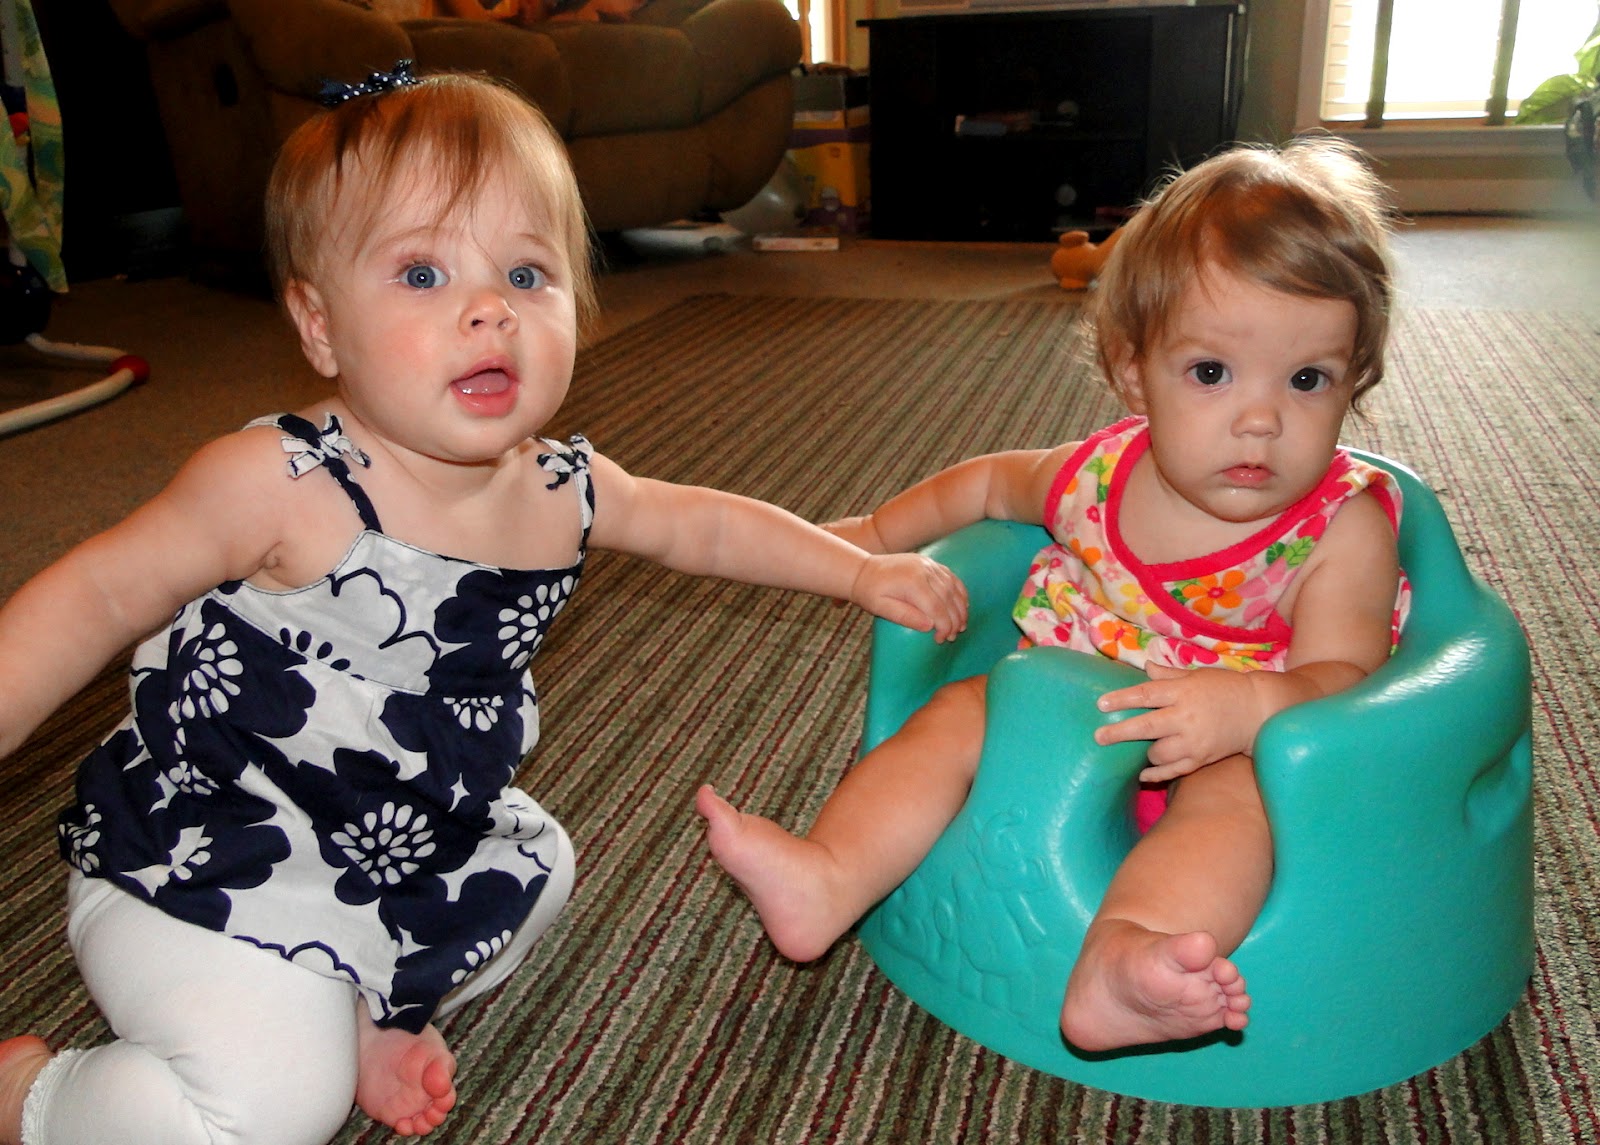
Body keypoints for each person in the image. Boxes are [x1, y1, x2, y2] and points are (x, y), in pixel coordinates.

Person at [0, 66, 968, 1145]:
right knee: (275, 1107)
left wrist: (856, 569)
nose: (488, 307)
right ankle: (34, 1095)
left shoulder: (557, 488)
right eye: (422, 272)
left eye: (526, 272)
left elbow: (703, 525)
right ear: (319, 327)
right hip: (207, 844)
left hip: (394, 838)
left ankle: (367, 1006)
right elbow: (96, 593)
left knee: (538, 866)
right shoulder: (280, 480)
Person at [698, 136, 1410, 1054]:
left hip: (1223, 748)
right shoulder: (1097, 475)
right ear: (1134, 371)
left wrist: (1251, 706)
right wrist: (872, 537)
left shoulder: (1341, 529)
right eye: (1211, 373)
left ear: (1355, 380)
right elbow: (984, 485)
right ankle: (829, 875)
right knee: (957, 714)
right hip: (1063, 711)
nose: (1261, 419)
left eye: (1308, 379)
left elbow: (1349, 677)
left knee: (1238, 805)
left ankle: (1128, 956)